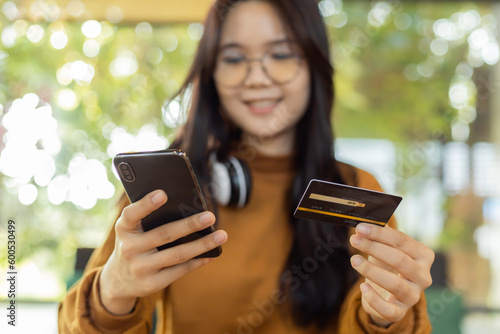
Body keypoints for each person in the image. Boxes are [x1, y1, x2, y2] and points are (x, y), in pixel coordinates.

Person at [58, 0, 435, 333]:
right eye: (234, 58)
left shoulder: (357, 189)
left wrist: (388, 318)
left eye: (282, 54)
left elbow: (388, 308)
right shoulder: (168, 187)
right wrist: (112, 293)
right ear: (212, 74)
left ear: (313, 65)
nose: (256, 77)